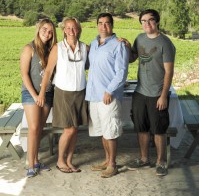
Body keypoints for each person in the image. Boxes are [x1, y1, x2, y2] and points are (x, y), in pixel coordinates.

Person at [127, 9, 176, 176]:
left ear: (157, 22)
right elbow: (133, 57)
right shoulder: (139, 38)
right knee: (141, 128)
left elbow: (169, 72)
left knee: (159, 130)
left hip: (157, 93)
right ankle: (143, 159)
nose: (147, 24)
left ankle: (161, 162)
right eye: (143, 21)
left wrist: (163, 95)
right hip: (140, 91)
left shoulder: (165, 43)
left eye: (150, 20)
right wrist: (126, 47)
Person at [38, 17, 88, 173]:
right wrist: (41, 93)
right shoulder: (58, 48)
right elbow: (47, 72)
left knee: (75, 129)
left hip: (80, 92)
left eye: (74, 28)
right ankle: (60, 161)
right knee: (69, 130)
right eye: (68, 28)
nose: (71, 31)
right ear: (64, 30)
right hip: (63, 92)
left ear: (78, 30)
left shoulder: (85, 48)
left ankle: (69, 161)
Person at [86, 12, 129, 178]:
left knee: (110, 131)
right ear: (97, 25)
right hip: (94, 95)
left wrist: (109, 90)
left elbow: (121, 72)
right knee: (103, 131)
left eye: (107, 23)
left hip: (108, 96)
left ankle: (113, 164)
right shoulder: (94, 44)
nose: (103, 26)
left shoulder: (119, 45)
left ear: (112, 25)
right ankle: (106, 160)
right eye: (100, 23)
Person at [20, 18, 57, 178]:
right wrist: (35, 95)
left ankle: (36, 161)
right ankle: (30, 164)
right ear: (38, 29)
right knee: (33, 128)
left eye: (50, 31)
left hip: (47, 93)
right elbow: (24, 74)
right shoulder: (29, 48)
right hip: (31, 93)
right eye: (45, 29)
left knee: (39, 129)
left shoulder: (51, 50)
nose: (47, 33)